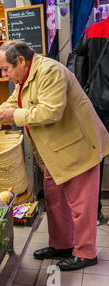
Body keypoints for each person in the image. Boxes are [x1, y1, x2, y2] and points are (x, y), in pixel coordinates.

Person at [0, 40, 109, 271]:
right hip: (54, 153)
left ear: (22, 61)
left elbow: (51, 111)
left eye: (6, 69)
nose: (5, 74)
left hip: (77, 148)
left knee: (81, 204)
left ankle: (86, 253)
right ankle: (62, 244)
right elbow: (11, 102)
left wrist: (14, 117)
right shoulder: (25, 77)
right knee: (55, 201)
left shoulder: (50, 71)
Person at [72, 16, 109, 225]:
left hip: (94, 103)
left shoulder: (94, 29)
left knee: (96, 159)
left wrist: (86, 87)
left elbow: (78, 56)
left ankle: (94, 213)